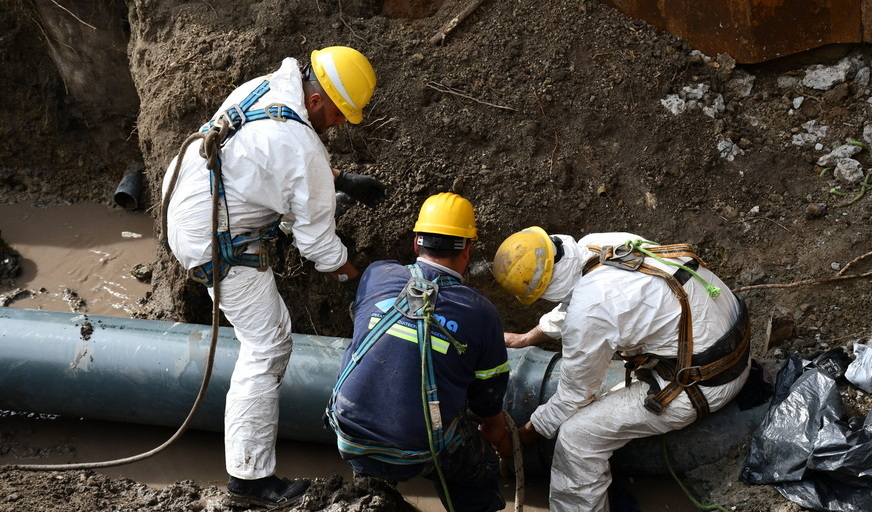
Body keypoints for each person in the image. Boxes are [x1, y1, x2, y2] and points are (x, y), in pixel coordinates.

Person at [161, 46, 388, 508]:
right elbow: (319, 247)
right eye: (341, 114)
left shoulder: (269, 87)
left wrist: (338, 180)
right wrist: (355, 279)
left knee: (269, 331)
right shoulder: (301, 145)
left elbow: (269, 154)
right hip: (213, 234)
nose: (342, 124)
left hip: (189, 198)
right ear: (319, 99)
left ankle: (249, 473)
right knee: (268, 344)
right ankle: (249, 480)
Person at [492, 227, 752, 511]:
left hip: (705, 383)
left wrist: (525, 434)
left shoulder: (589, 310)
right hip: (732, 345)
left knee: (576, 436)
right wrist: (528, 338)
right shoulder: (597, 245)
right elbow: (578, 299)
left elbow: (576, 394)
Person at [325, 192, 511, 512]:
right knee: (477, 467)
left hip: (349, 436)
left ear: (416, 243)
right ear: (468, 249)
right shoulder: (480, 313)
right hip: (419, 450)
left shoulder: (376, 274)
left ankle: (370, 491)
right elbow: (487, 395)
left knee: (376, 463)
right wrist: (495, 431)